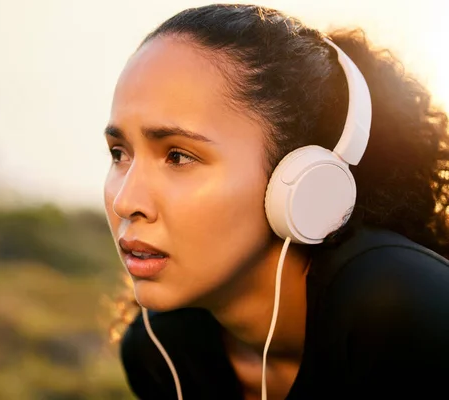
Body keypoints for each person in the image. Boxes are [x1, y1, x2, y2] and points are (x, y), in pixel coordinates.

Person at [102, 4, 449, 399]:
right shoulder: (162, 353)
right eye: (119, 153)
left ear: (299, 177)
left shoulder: (403, 311)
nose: (125, 200)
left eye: (178, 156)